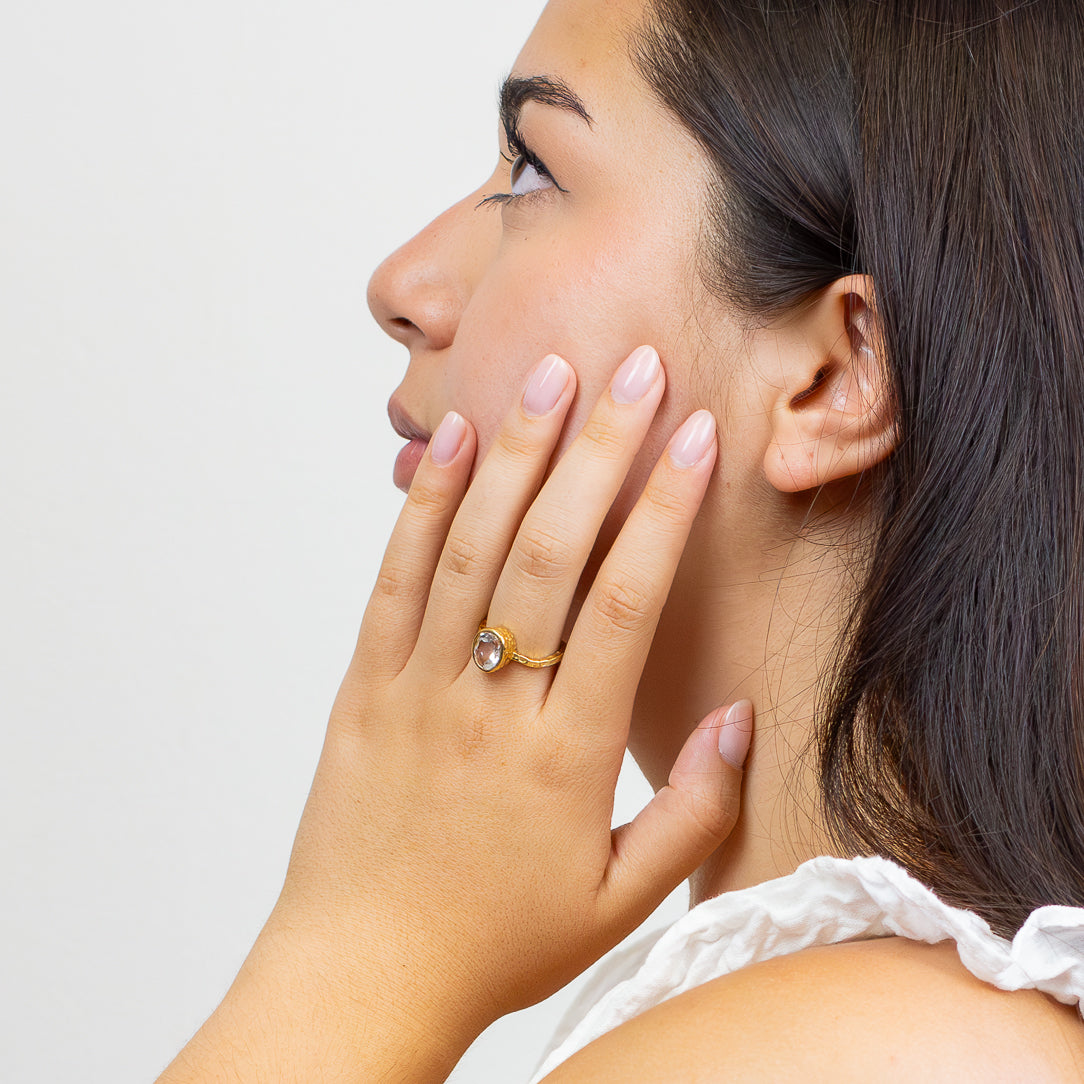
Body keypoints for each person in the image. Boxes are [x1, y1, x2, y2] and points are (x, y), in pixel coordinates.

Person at [157, 0, 1084, 1079]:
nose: (402, 287)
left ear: (832, 378)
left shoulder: (861, 1051)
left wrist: (362, 949)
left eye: (535, 170)